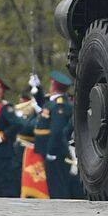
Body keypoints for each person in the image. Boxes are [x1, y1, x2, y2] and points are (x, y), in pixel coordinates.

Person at [40, 71, 78, 199]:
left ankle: (61, 213)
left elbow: (56, 131)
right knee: (54, 185)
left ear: (53, 84)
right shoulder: (57, 103)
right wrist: (37, 90)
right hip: (56, 150)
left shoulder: (60, 105)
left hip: (56, 152)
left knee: (57, 187)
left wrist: (51, 151)